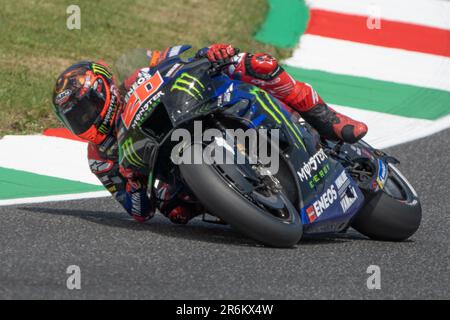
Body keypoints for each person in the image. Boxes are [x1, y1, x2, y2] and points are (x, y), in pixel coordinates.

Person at [52, 44, 368, 224]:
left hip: (195, 107)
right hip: (171, 166)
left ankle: (326, 118)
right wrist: (133, 184)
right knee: (173, 210)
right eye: (78, 118)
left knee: (257, 63)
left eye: (88, 108)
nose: (88, 119)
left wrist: (210, 52)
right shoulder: (100, 159)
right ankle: (241, 201)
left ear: (107, 89)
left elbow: (178, 54)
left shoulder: (137, 75)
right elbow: (138, 212)